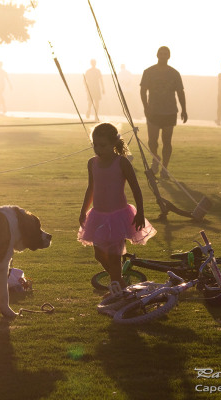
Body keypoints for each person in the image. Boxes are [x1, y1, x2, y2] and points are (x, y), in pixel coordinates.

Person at [78, 123, 157, 288]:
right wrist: (83, 211)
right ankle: (119, 281)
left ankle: (117, 286)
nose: (98, 149)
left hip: (118, 217)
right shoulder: (92, 163)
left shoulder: (121, 163)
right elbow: (91, 188)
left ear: (114, 143)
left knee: (114, 257)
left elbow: (135, 188)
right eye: (95, 145)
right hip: (98, 216)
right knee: (99, 255)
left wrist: (140, 212)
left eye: (103, 145)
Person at [140, 46, 188, 179]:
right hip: (153, 111)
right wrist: (146, 107)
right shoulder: (148, 72)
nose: (163, 56)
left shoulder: (174, 73)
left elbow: (180, 92)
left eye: (165, 54)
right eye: (161, 53)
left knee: (167, 141)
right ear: (157, 55)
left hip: (169, 111)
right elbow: (143, 90)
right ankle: (155, 160)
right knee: (152, 141)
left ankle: (165, 169)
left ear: (169, 56)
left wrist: (184, 109)